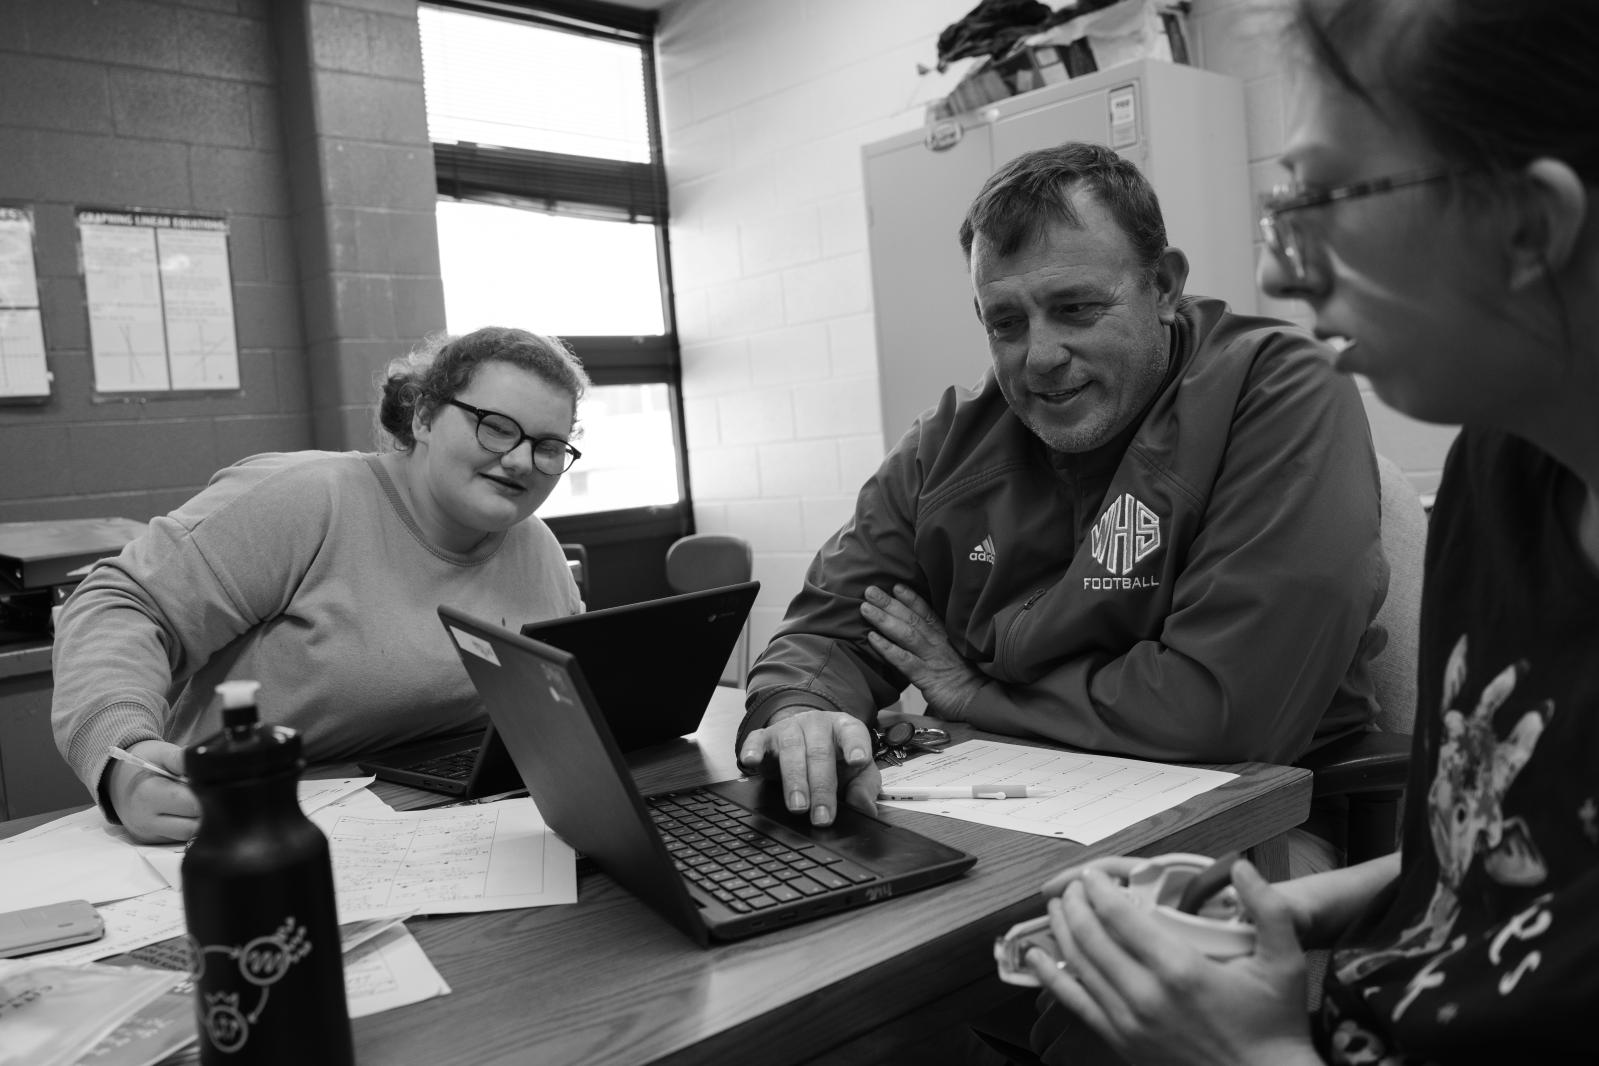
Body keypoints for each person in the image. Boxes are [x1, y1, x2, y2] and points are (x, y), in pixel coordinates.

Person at [1022, 1, 1599, 1062]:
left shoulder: (1269, 400)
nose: (1284, 272)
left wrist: (1252, 1053)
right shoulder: (1504, 468)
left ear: (1529, 225)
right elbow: (1521, 844)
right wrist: (1299, 906)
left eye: (1324, 199)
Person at [735, 141, 1387, 870]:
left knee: (1051, 961)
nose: (1038, 356)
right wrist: (801, 712)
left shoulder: (1276, 392)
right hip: (1002, 800)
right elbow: (831, 630)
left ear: (1164, 286)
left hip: (1236, 814)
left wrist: (971, 693)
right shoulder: (943, 447)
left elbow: (1220, 710)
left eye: (1074, 309)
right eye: (1005, 323)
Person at [51, 326, 589, 843]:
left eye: (548, 446)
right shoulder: (311, 500)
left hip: (444, 824)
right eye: (495, 426)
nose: (520, 460)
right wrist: (124, 757)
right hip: (236, 825)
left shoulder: (534, 546)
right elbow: (120, 604)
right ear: (424, 416)